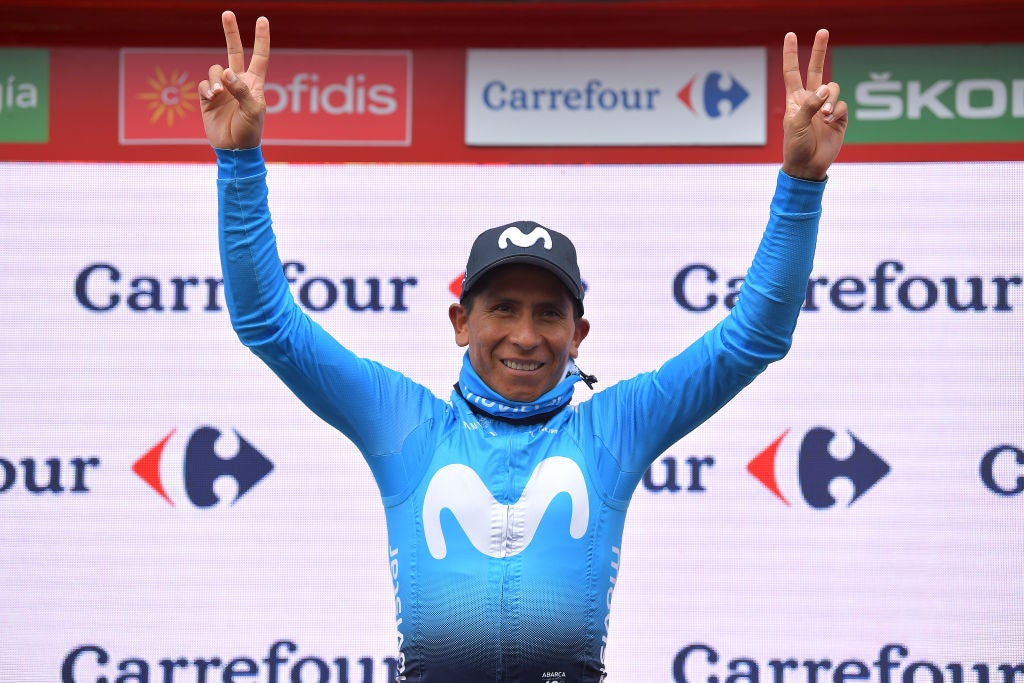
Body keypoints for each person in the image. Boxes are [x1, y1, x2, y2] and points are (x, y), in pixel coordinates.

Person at [199, 10, 847, 683]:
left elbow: (753, 339)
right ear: (460, 321)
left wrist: (802, 183)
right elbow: (267, 323)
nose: (526, 334)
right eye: (502, 308)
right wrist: (238, 160)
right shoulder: (408, 424)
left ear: (579, 335)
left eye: (548, 313)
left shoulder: (614, 427)